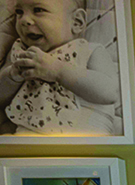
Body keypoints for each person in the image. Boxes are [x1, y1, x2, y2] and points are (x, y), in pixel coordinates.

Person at [0, 0, 120, 135]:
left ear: (76, 22)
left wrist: (58, 71)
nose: (24, 20)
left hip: (84, 138)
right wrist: (12, 77)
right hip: (30, 138)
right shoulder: (21, 53)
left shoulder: (89, 51)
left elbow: (109, 93)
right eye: (19, 12)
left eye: (38, 10)